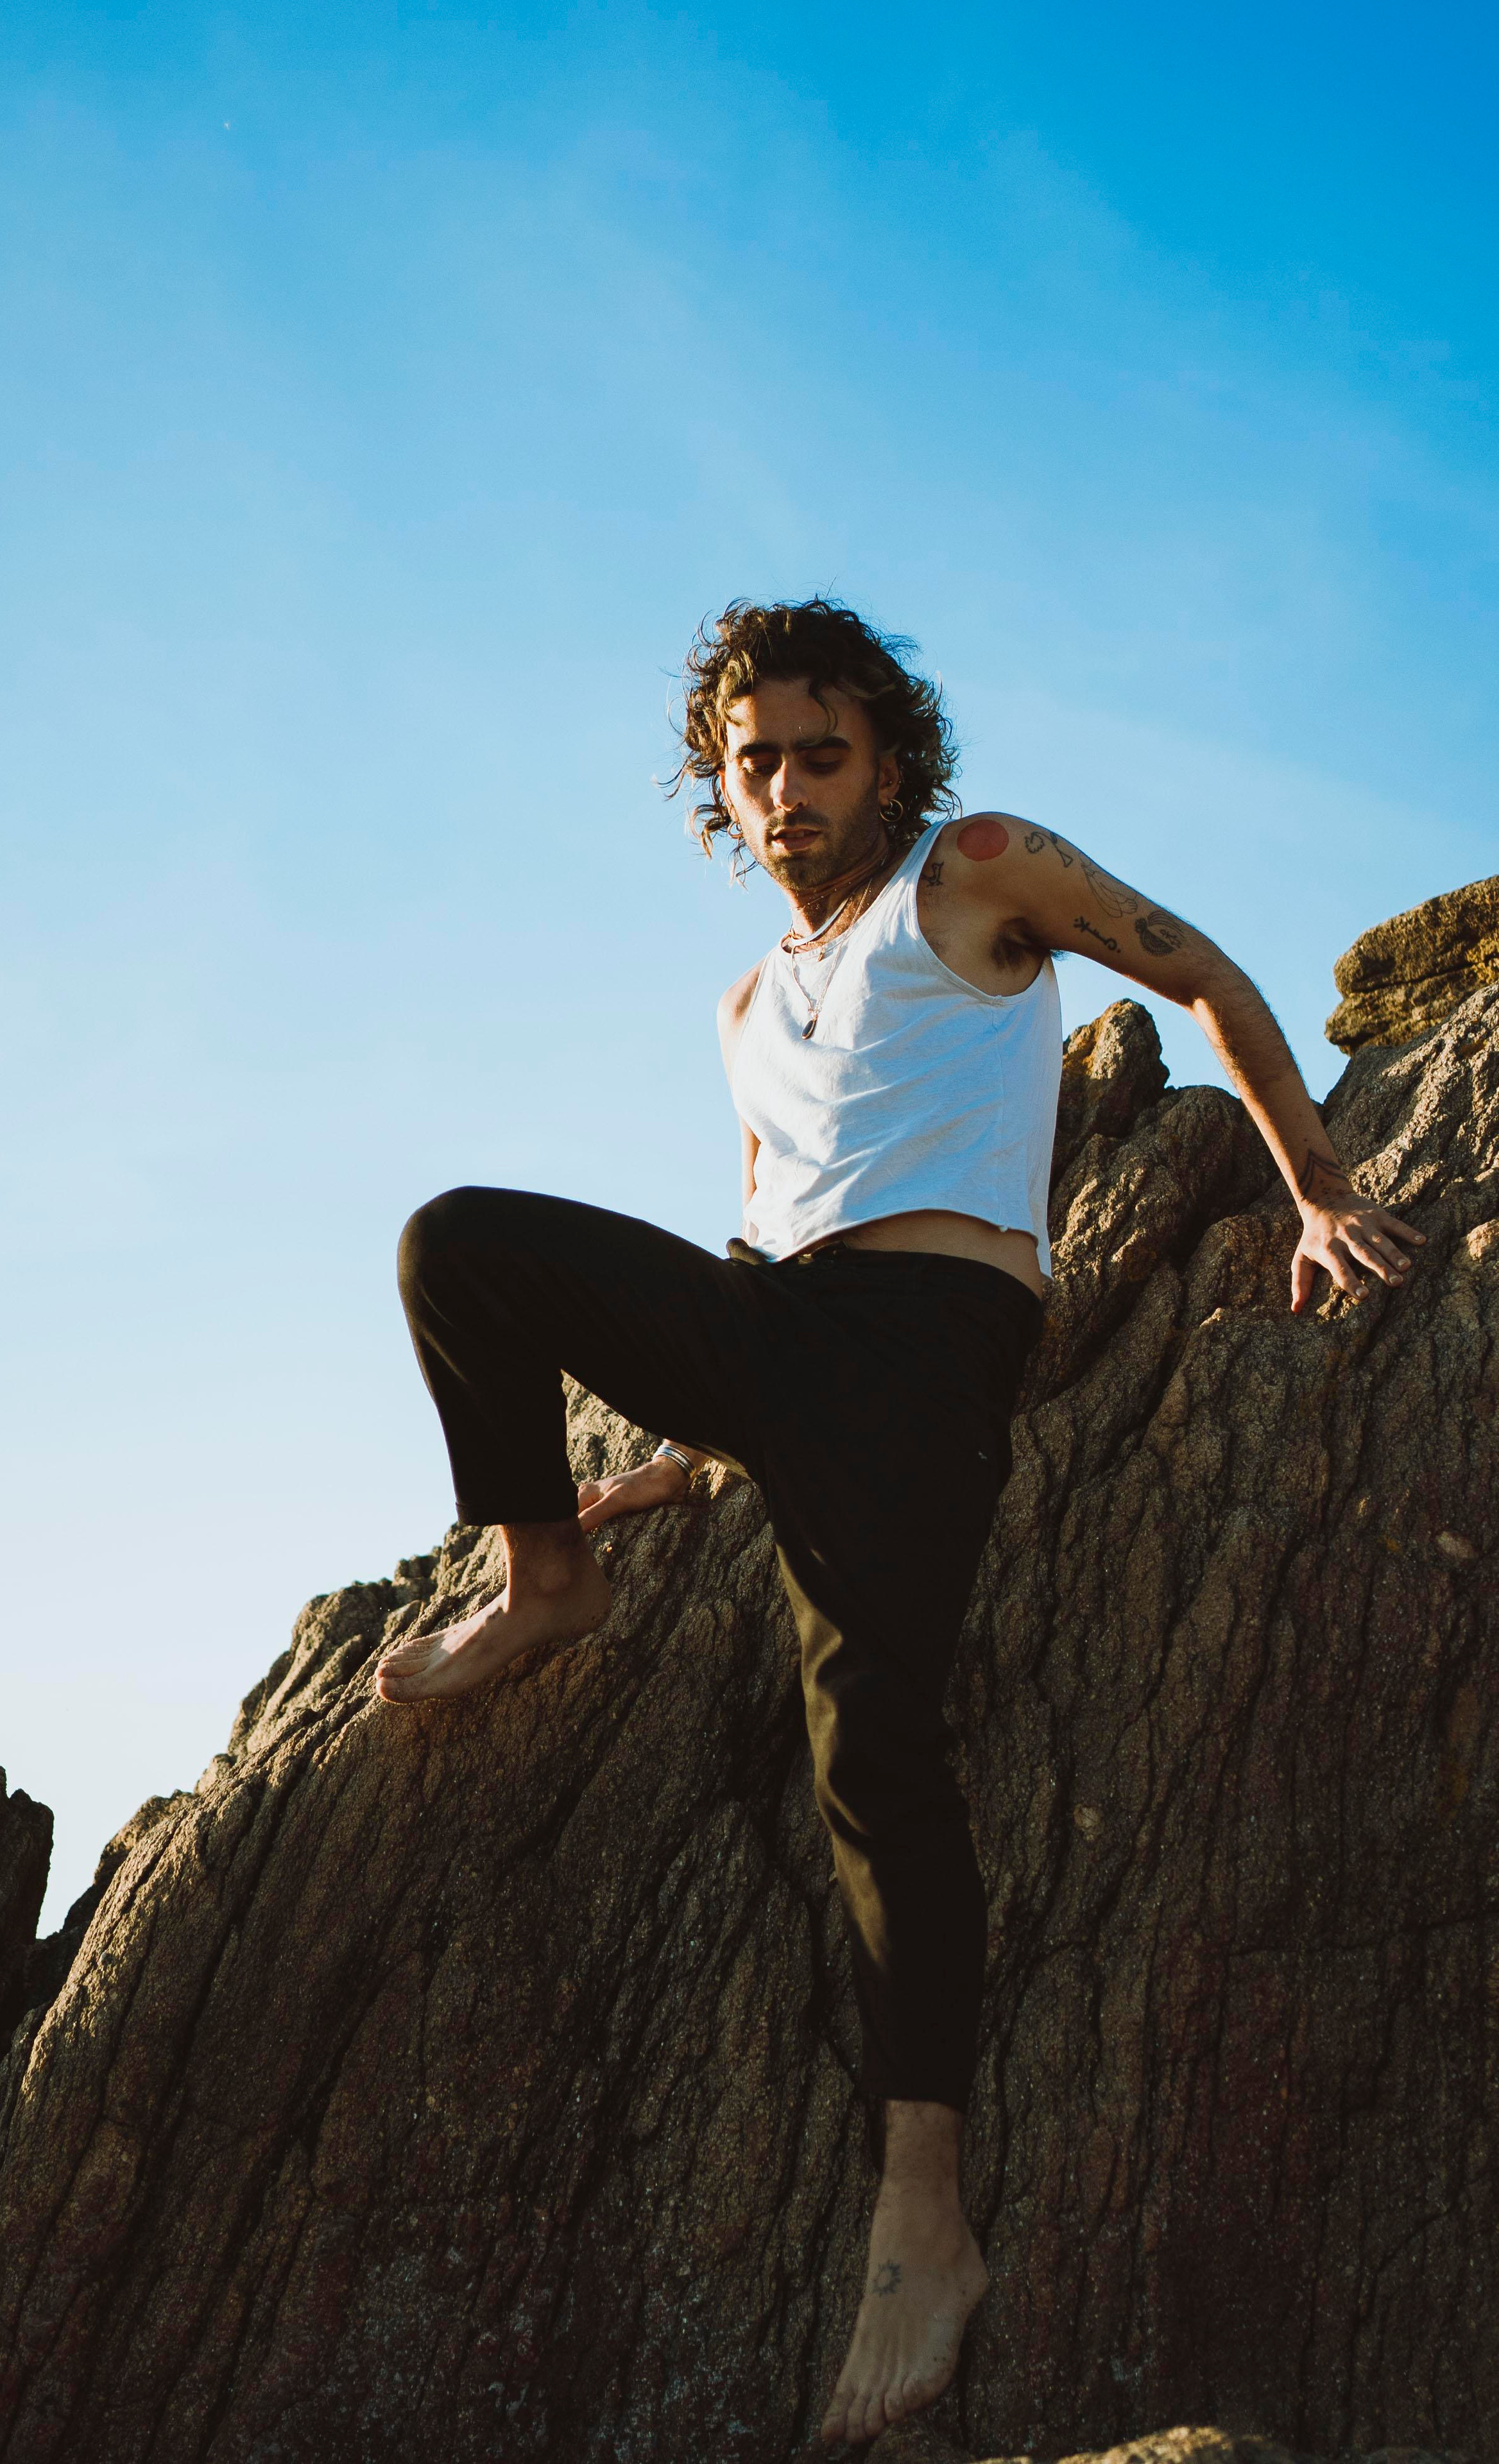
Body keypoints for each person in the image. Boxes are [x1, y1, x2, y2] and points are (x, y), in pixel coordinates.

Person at [378, 599, 1423, 2447]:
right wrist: (675, 1463)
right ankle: (552, 1580)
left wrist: (1314, 1196)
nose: (784, 789)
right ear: (723, 783)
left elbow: (1198, 976)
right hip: (781, 1337)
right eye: (752, 759)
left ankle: (920, 2218)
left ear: (889, 759)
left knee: (876, 1759)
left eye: (819, 752)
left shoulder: (983, 871)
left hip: (931, 1355)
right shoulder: (740, 1006)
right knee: (459, 1238)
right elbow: (770, 1238)